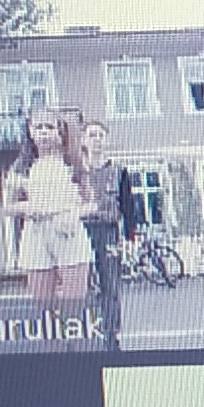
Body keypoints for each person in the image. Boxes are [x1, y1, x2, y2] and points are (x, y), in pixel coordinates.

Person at [1, 107, 93, 316]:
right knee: (43, 305)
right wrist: (27, 207)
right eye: (38, 127)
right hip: (36, 232)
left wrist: (73, 214)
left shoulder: (73, 163)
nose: (43, 132)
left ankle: (74, 334)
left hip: (68, 231)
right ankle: (51, 333)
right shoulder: (22, 167)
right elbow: (8, 207)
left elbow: (91, 202)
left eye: (49, 127)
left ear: (60, 132)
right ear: (30, 132)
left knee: (73, 305)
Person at [80, 117, 132, 348]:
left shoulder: (118, 172)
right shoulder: (77, 173)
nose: (97, 140)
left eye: (101, 135)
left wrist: (129, 237)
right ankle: (86, 333)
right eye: (92, 135)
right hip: (81, 232)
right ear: (84, 140)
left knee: (110, 285)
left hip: (108, 232)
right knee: (83, 285)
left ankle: (112, 335)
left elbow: (128, 206)